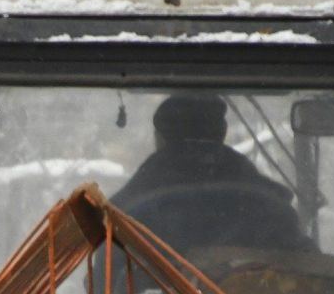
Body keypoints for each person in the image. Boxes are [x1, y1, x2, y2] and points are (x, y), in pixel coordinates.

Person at [110, 93, 311, 255]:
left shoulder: (124, 217)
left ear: (160, 139)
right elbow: (307, 276)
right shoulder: (269, 209)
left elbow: (105, 290)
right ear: (223, 132)